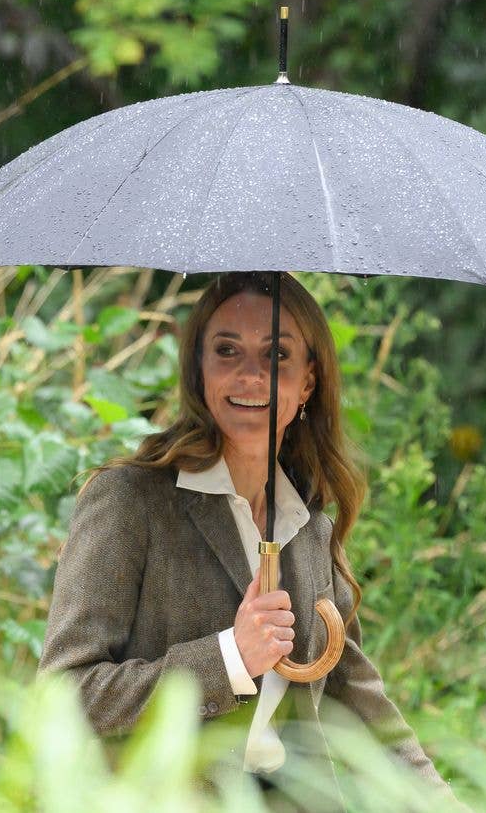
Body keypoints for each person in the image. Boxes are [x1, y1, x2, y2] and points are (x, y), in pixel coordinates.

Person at [38, 271, 464, 811]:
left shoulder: (309, 529)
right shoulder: (131, 501)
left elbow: (357, 702)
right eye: (227, 350)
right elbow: (64, 696)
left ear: (307, 382)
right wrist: (229, 658)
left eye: (276, 355)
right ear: (199, 369)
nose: (250, 375)